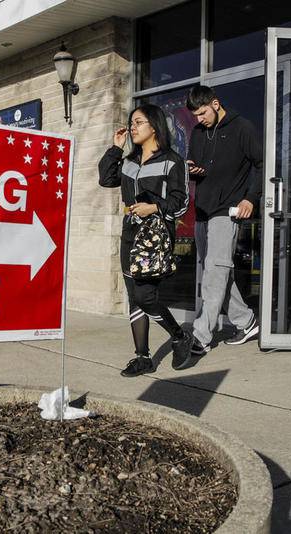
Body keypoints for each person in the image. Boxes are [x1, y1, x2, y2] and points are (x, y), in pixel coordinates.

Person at [98, 104, 203, 376]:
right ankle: (142, 357)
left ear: (154, 126)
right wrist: (116, 148)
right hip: (130, 233)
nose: (132, 127)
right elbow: (106, 178)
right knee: (135, 297)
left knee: (145, 295)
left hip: (155, 236)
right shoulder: (129, 162)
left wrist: (154, 207)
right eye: (131, 122)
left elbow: (180, 203)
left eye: (139, 122)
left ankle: (179, 335)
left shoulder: (172, 160)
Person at [185, 85, 262, 357]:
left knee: (214, 273)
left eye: (203, 113)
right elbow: (198, 168)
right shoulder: (197, 132)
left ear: (215, 103)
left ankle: (201, 336)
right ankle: (246, 321)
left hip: (227, 210)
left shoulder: (243, 128)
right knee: (217, 271)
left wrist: (250, 198)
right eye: (195, 115)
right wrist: (193, 171)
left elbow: (262, 164)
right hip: (202, 210)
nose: (199, 119)